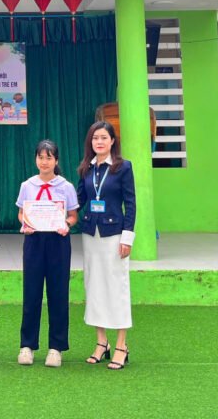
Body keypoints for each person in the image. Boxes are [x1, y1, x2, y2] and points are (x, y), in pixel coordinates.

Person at [76, 120, 136, 371]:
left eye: (103, 138)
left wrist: (127, 238)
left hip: (114, 235)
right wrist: (53, 211)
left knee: (117, 287)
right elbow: (78, 200)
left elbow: (130, 204)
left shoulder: (123, 167)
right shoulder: (86, 169)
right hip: (91, 235)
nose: (99, 142)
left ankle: (121, 345)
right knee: (94, 286)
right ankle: (102, 342)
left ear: (112, 141)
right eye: (95, 138)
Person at [16, 139, 79, 367]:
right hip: (33, 241)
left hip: (58, 242)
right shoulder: (27, 185)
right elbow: (21, 213)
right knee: (31, 293)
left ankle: (56, 348)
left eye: (49, 158)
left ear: (56, 160)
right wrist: (25, 223)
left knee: (58, 294)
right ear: (36, 159)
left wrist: (66, 225)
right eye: (41, 157)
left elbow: (73, 216)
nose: (44, 162)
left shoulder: (66, 186)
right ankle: (27, 346)